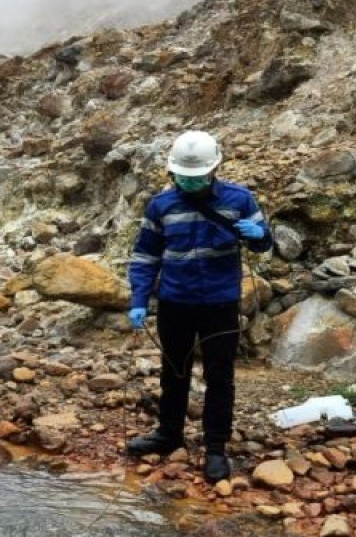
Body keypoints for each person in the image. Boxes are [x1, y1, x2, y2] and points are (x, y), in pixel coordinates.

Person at [124, 130, 271, 483]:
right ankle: (168, 434)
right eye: (184, 179)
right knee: (174, 372)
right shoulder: (160, 205)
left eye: (198, 178)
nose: (191, 184)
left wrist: (260, 235)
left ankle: (216, 448)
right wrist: (139, 299)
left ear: (214, 169)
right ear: (173, 173)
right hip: (175, 302)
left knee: (220, 377)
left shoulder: (240, 199)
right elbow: (145, 256)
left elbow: (265, 244)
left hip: (220, 304)